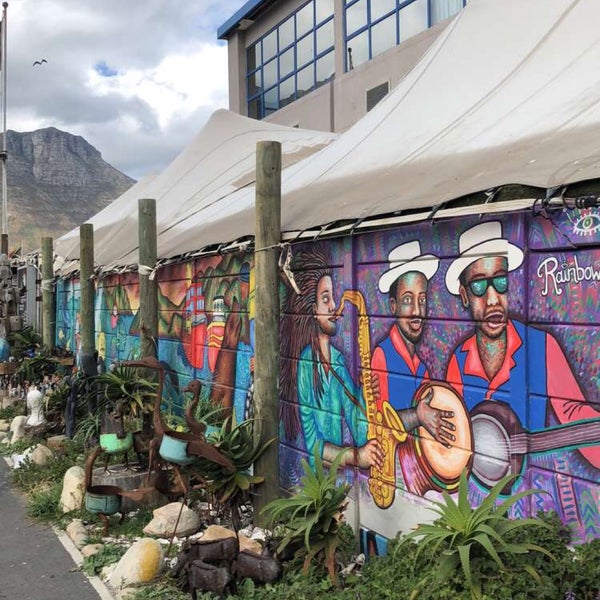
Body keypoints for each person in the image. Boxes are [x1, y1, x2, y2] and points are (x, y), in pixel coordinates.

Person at [444, 220, 600, 469]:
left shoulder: (541, 347)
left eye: (501, 282)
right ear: (464, 295)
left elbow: (575, 415)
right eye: (479, 286)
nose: (493, 299)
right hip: (476, 494)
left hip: (532, 492)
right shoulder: (458, 361)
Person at [281, 246, 383, 469]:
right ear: (313, 309)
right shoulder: (305, 366)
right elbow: (313, 445)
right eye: (326, 299)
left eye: (332, 298)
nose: (335, 306)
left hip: (338, 482)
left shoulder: (338, 361)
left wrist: (366, 397)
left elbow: (359, 429)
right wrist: (355, 456)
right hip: (312, 483)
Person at [371, 241, 455, 445]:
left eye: (422, 300)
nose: (417, 311)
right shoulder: (382, 356)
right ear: (393, 306)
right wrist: (417, 416)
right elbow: (377, 424)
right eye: (408, 300)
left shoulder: (422, 369)